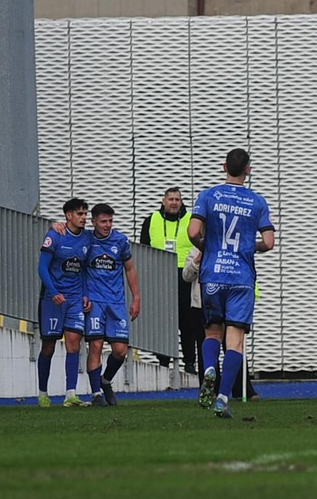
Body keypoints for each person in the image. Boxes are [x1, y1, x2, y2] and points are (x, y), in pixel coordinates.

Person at [186, 148, 275, 419]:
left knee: (212, 333)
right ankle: (223, 398)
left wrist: (208, 246)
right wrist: (250, 247)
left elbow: (193, 232)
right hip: (241, 278)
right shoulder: (257, 201)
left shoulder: (208, 195)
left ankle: (209, 369)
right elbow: (269, 242)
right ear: (248, 170)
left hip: (213, 274)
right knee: (235, 341)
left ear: (224, 166)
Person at [37, 198, 92, 407]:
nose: (84, 218)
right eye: (80, 214)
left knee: (74, 343)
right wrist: (53, 291)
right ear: (69, 215)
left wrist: (85, 293)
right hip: (53, 299)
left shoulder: (87, 238)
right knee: (48, 346)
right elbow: (42, 267)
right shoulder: (55, 235)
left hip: (75, 298)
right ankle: (43, 393)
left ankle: (71, 394)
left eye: (85, 214)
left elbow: (84, 269)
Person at [85, 204, 141, 407]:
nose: (107, 225)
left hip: (116, 302)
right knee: (96, 345)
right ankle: (96, 394)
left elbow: (130, 268)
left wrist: (136, 297)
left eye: (110, 221)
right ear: (93, 221)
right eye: (103, 221)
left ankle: (105, 380)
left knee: (120, 350)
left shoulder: (120, 240)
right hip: (95, 302)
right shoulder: (86, 240)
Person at [140, 187, 195, 372]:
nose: (174, 203)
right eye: (170, 199)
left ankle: (189, 363)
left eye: (177, 199)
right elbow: (143, 249)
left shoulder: (192, 220)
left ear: (182, 202)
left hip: (185, 276)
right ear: (163, 201)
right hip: (160, 276)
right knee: (163, 322)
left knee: (187, 322)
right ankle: (163, 362)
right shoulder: (151, 220)